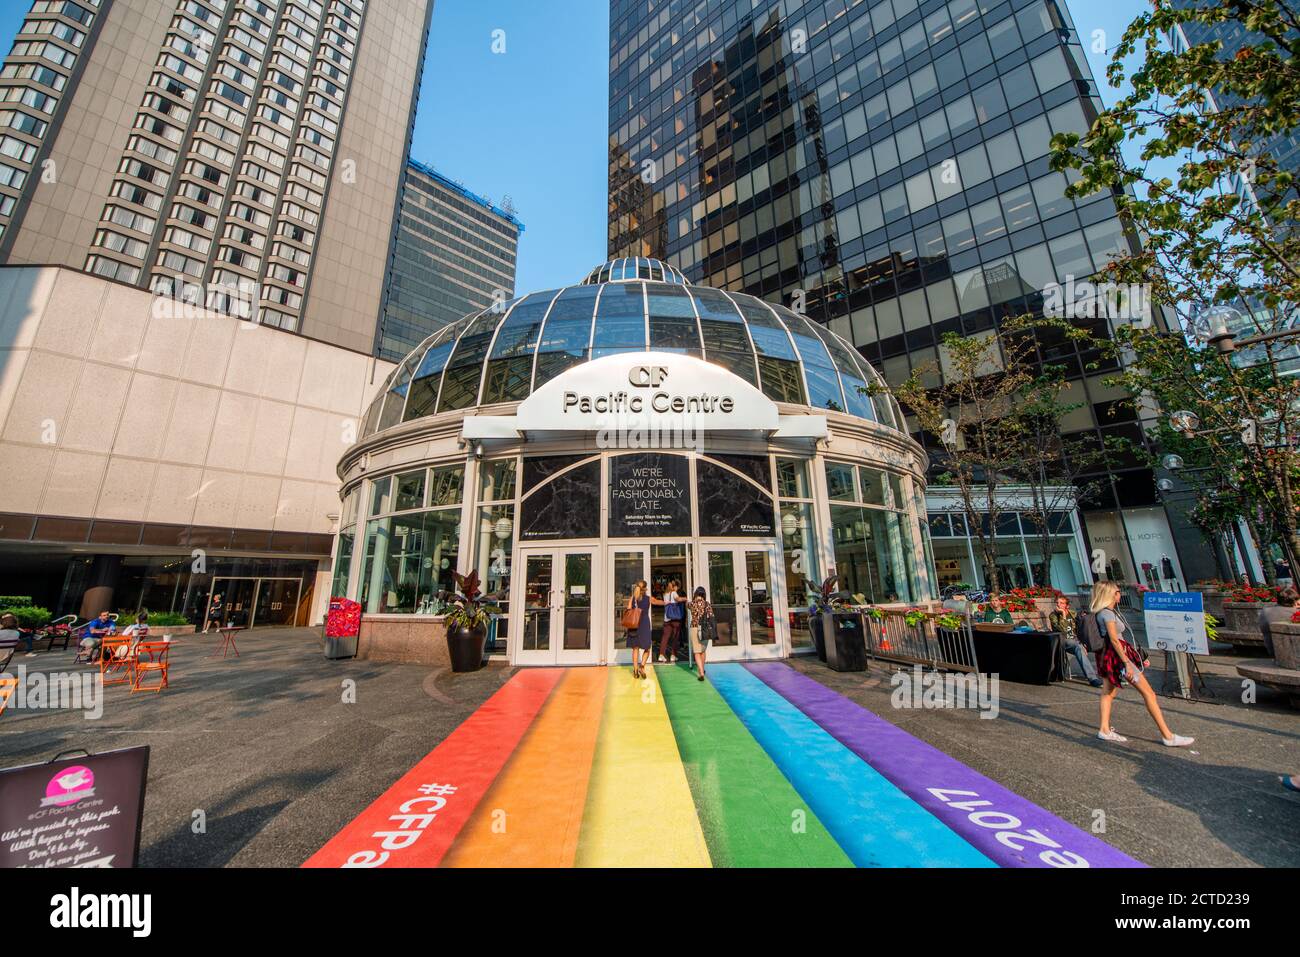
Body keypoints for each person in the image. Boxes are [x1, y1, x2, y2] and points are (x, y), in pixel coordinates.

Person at [1092, 581, 1193, 747]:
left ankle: (1104, 729)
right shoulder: (1107, 614)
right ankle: (1167, 736)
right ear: (1111, 594)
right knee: (1149, 694)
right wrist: (1126, 663)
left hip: (1110, 657)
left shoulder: (1104, 613)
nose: (1120, 593)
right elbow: (1115, 641)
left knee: (1108, 692)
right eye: (1117, 591)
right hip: (1118, 658)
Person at [1049, 595, 1103, 687]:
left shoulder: (1073, 614)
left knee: (1100, 644)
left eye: (1061, 603)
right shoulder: (1053, 615)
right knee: (1077, 646)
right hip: (1062, 641)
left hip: (1075, 641)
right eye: (1057, 602)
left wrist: (1084, 642)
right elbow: (1063, 630)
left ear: (1067, 606)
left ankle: (1103, 675)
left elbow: (1081, 629)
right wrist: (1063, 614)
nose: (1058, 605)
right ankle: (1092, 678)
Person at [626, 580, 662, 679]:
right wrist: (667, 602)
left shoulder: (633, 598)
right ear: (645, 589)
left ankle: (635, 670)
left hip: (634, 625)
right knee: (647, 648)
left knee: (635, 648)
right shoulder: (648, 598)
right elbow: (657, 602)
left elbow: (628, 609)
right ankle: (642, 666)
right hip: (644, 624)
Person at [1257, 586, 1297, 658]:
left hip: (1273, 651)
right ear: (1294, 601)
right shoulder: (1295, 612)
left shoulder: (1265, 612)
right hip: (1294, 653)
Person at [687, 585, 714, 681]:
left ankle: (701, 672)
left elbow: (687, 606)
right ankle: (702, 668)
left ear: (696, 594)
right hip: (705, 629)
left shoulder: (692, 604)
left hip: (694, 628)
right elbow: (711, 615)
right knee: (702, 650)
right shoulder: (707, 604)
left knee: (696, 652)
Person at [657, 579, 683, 664]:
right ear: (674, 586)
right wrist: (686, 598)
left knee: (665, 637)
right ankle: (673, 655)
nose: (677, 588)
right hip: (675, 619)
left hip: (667, 618)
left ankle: (661, 655)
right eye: (676, 587)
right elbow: (678, 599)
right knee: (675, 637)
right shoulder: (674, 593)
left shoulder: (665, 594)